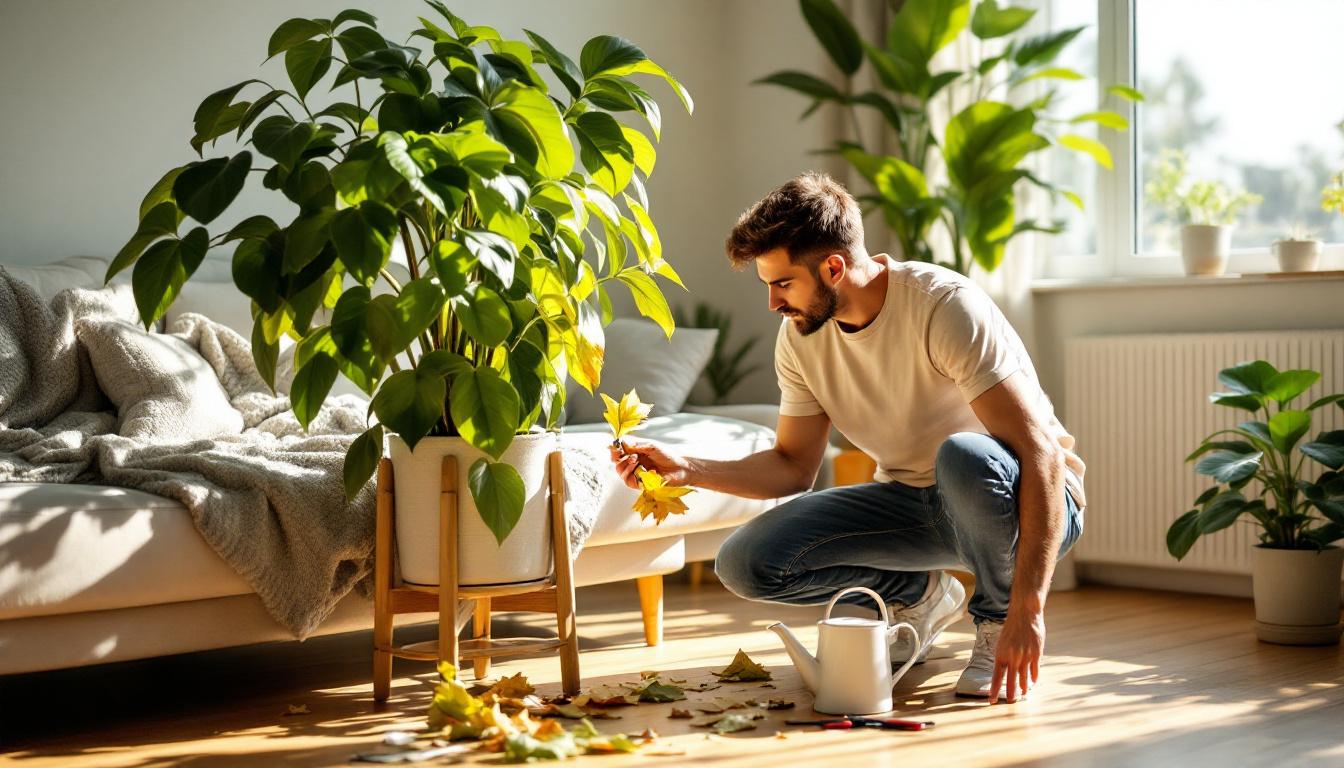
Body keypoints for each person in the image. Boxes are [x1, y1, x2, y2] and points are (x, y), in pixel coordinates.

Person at [608, 172, 1086, 704]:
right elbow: (792, 466)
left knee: (963, 454)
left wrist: (1028, 612)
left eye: (783, 283)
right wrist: (688, 469)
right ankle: (921, 595)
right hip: (913, 503)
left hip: (1022, 502)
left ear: (833, 267)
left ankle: (994, 622)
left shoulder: (944, 306)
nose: (772, 303)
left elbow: (1040, 455)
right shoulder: (799, 339)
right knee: (746, 563)